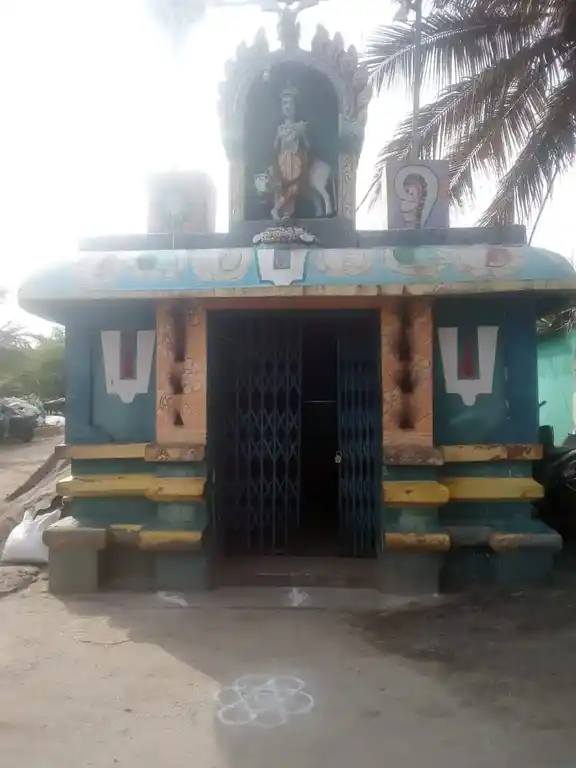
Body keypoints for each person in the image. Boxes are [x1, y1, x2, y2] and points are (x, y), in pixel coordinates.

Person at [270, 85, 310, 220]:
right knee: (281, 186)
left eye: (290, 103)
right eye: (284, 103)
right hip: (282, 161)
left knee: (295, 188)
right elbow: (275, 148)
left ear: (295, 106)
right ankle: (279, 210)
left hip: (296, 161)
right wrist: (278, 138)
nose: (287, 107)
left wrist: (302, 135)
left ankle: (280, 210)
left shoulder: (300, 126)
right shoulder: (280, 128)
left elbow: (308, 146)